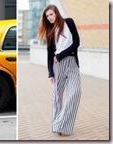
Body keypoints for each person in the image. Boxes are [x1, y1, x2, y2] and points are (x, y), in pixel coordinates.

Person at [38, 4, 81, 136]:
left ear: (56, 13)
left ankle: (59, 123)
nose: (49, 17)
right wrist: (50, 73)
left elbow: (76, 42)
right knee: (57, 97)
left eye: (51, 14)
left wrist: (60, 55)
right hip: (58, 65)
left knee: (75, 93)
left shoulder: (69, 22)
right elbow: (49, 54)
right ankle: (59, 127)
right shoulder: (50, 31)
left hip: (72, 63)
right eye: (47, 16)